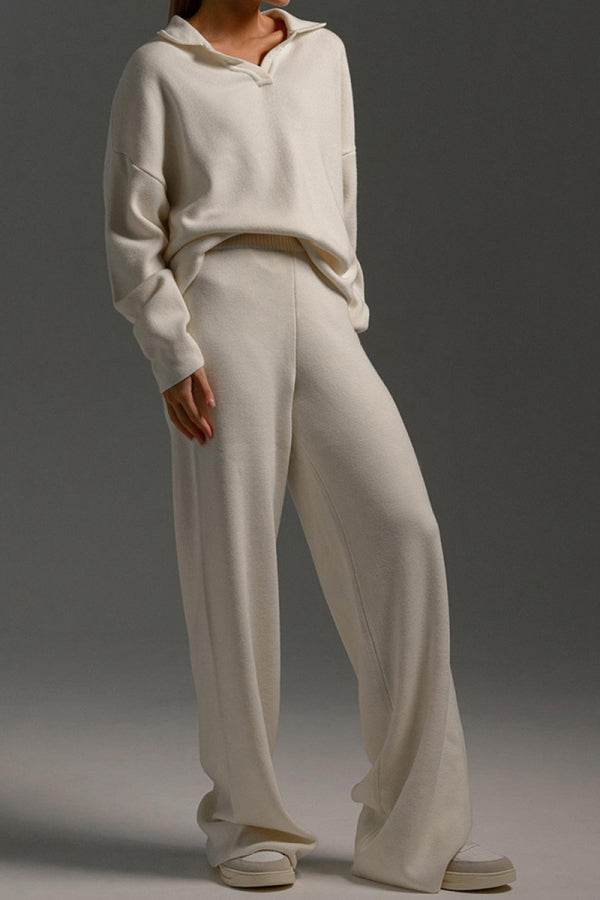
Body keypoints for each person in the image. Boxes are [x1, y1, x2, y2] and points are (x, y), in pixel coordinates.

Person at [102, 0, 516, 892]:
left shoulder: (325, 54)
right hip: (219, 305)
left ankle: (417, 831)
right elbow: (133, 226)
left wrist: (343, 306)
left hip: (318, 303)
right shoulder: (159, 68)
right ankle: (246, 821)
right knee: (233, 562)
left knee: (405, 531)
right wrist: (172, 348)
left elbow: (341, 182)